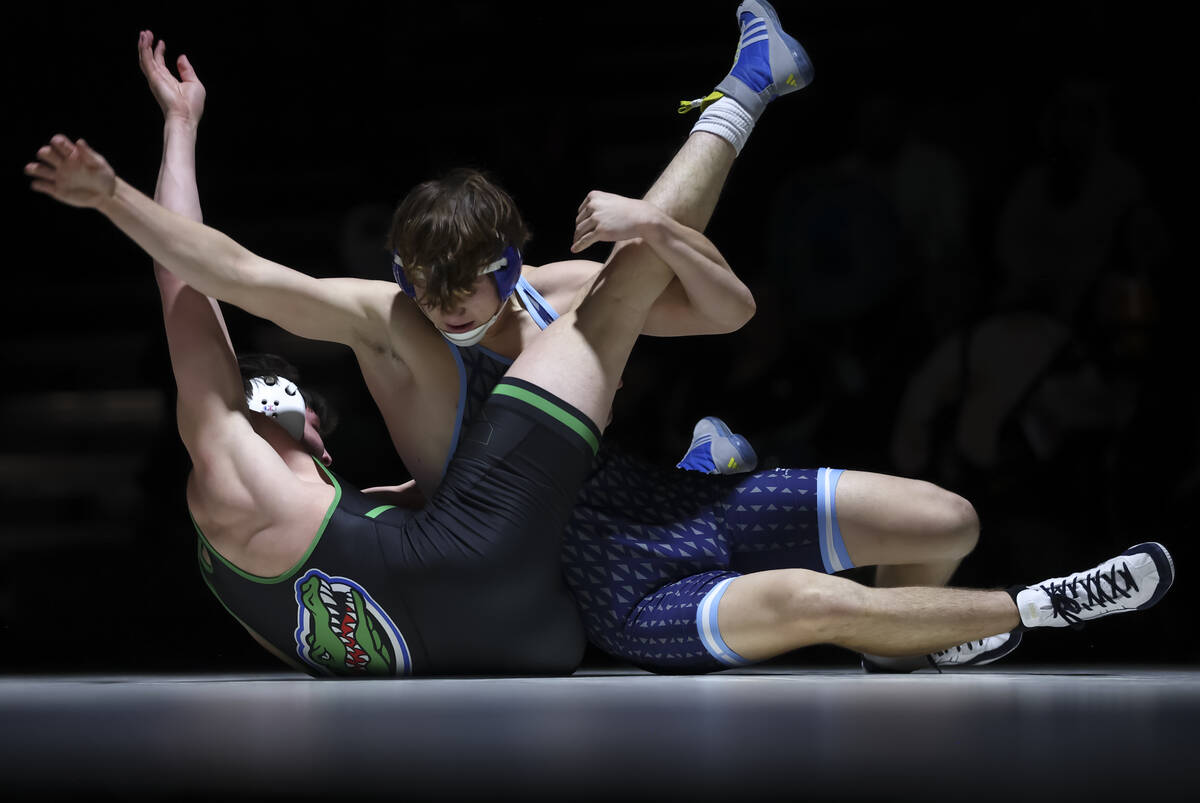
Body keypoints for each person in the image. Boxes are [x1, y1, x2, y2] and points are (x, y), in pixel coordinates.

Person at [28, 8, 1177, 678]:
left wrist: (653, 223)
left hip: (631, 504)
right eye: (421, 294)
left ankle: (917, 641)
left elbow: (730, 312)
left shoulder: (536, 312)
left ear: (509, 265)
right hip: (573, 574)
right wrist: (125, 190)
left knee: (948, 521)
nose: (441, 314)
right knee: (798, 589)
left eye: (464, 293)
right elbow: (226, 281)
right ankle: (746, 92)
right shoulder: (379, 339)